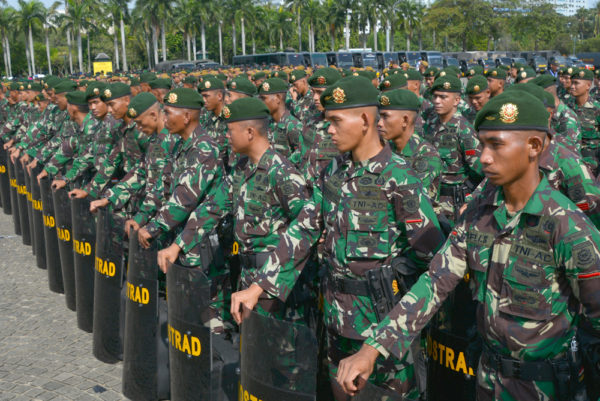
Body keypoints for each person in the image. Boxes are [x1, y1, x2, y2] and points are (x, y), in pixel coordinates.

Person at [336, 89, 600, 401]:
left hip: (546, 388)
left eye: (496, 145)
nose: (484, 157)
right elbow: (436, 281)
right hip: (486, 381)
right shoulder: (478, 216)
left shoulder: (566, 227)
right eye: (482, 143)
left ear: (533, 147)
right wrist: (373, 347)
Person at [228, 76, 445, 399]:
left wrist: (396, 306)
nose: (328, 130)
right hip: (336, 322)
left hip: (382, 332)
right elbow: (304, 228)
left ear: (365, 120)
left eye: (335, 121)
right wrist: (259, 286)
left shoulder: (399, 180)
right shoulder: (334, 172)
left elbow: (434, 263)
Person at [423, 75, 484, 226]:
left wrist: (470, 199)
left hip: (453, 205)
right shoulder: (430, 125)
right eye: (435, 96)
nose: (437, 101)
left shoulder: (463, 129)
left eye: (443, 97)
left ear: (457, 100)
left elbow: (479, 171)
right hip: (431, 200)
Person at [377, 88, 442, 206]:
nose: (380, 123)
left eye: (385, 117)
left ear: (405, 120)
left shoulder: (426, 155)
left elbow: (410, 198)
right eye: (379, 117)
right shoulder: (385, 149)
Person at [257, 77, 304, 159]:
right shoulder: (265, 124)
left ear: (278, 98)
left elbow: (302, 158)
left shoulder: (293, 126)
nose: (260, 102)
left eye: (263, 98)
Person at [569, 69, 600, 175]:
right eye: (572, 82)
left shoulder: (597, 109)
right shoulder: (566, 107)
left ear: (588, 85)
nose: (572, 86)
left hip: (591, 162)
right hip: (570, 159)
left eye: (576, 83)